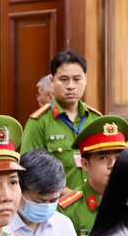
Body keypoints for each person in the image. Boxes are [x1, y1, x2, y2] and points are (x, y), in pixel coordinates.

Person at [22, 50, 101, 192]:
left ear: (86, 79)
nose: (71, 86)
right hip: (58, 208)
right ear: (52, 81)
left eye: (77, 79)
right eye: (64, 79)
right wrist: (72, 198)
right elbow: (30, 171)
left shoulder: (97, 120)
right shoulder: (39, 122)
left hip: (95, 208)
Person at [57, 116, 128, 236]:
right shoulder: (67, 210)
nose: (113, 165)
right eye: (103, 158)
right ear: (85, 164)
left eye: (119, 157)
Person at [3, 149, 77, 236]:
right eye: (39, 201)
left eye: (53, 201)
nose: (46, 207)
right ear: (18, 190)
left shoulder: (64, 225)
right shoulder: (0, 228)